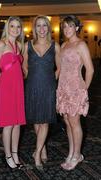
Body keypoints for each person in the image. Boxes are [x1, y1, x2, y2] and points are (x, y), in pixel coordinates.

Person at [23, 15, 61, 170]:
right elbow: (24, 66)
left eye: (44, 25)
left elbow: (59, 68)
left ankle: (37, 153)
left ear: (48, 28)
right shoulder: (27, 45)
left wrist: (52, 81)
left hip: (48, 87)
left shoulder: (55, 45)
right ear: (34, 28)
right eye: (38, 25)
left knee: (45, 120)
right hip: (32, 86)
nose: (41, 29)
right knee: (37, 120)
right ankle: (43, 147)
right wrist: (30, 78)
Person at [56, 15, 94, 171]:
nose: (67, 29)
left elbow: (90, 69)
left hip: (75, 89)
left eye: (70, 26)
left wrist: (84, 88)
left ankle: (77, 155)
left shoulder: (81, 45)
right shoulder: (64, 45)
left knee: (74, 122)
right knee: (67, 121)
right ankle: (71, 152)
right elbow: (61, 68)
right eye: (64, 27)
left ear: (77, 28)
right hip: (63, 88)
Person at [0, 16, 26, 169]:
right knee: (9, 124)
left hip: (18, 87)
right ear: (7, 28)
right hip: (5, 88)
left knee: (18, 123)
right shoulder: (1, 44)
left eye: (18, 27)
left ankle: (15, 152)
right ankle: (8, 155)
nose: (15, 29)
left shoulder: (19, 45)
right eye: (12, 26)